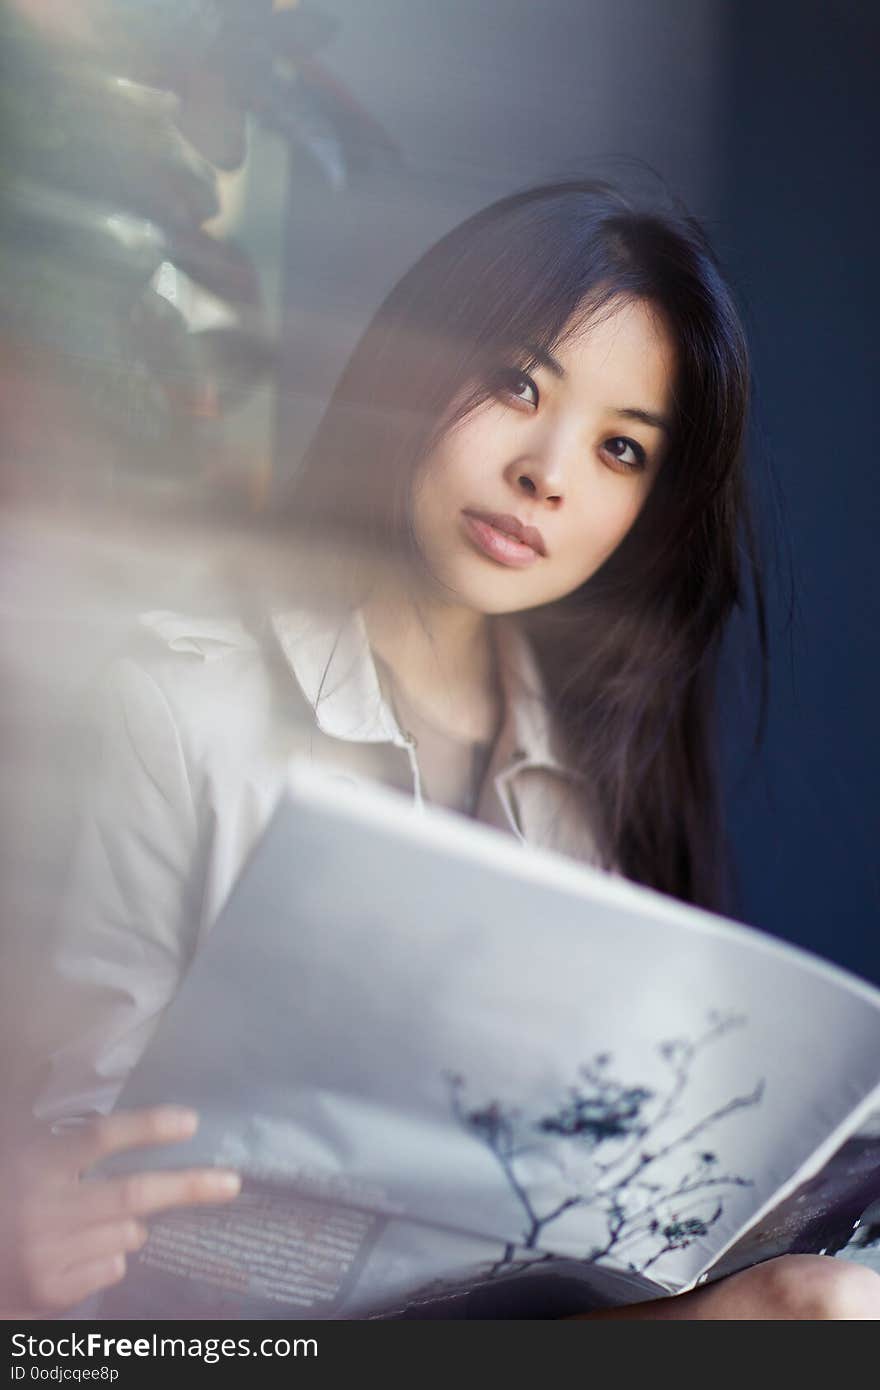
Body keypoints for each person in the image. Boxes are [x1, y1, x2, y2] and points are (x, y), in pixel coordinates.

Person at [4, 181, 879, 1319]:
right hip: (219, 1324)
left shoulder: (591, 776)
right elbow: (73, 1131)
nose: (547, 472)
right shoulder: (179, 702)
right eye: (517, 383)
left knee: (828, 1302)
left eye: (621, 449)